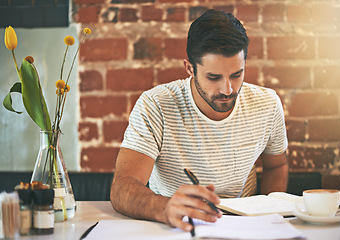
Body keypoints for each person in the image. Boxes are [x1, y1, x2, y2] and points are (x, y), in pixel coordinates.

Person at [110, 9, 289, 232]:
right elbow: (122, 187)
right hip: (175, 227)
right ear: (189, 68)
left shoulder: (267, 104)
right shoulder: (155, 105)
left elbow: (277, 166)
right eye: (213, 77)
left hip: (244, 228)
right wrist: (165, 208)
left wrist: (264, 216)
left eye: (236, 74)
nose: (228, 89)